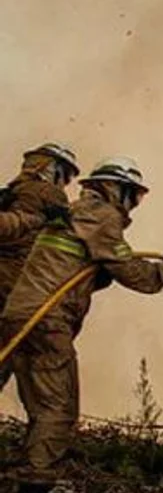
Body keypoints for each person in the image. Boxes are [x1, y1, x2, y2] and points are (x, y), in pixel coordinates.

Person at [1, 157, 163, 493]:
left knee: (39, 407)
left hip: (20, 316)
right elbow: (135, 274)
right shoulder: (101, 215)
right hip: (46, 322)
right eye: (133, 196)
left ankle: (29, 491)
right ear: (116, 188)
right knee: (57, 410)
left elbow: (75, 266)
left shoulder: (77, 213)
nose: (133, 205)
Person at [0, 143, 79, 390]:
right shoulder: (50, 194)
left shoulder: (13, 192)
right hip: (16, 287)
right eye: (66, 175)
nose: (65, 183)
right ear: (53, 169)